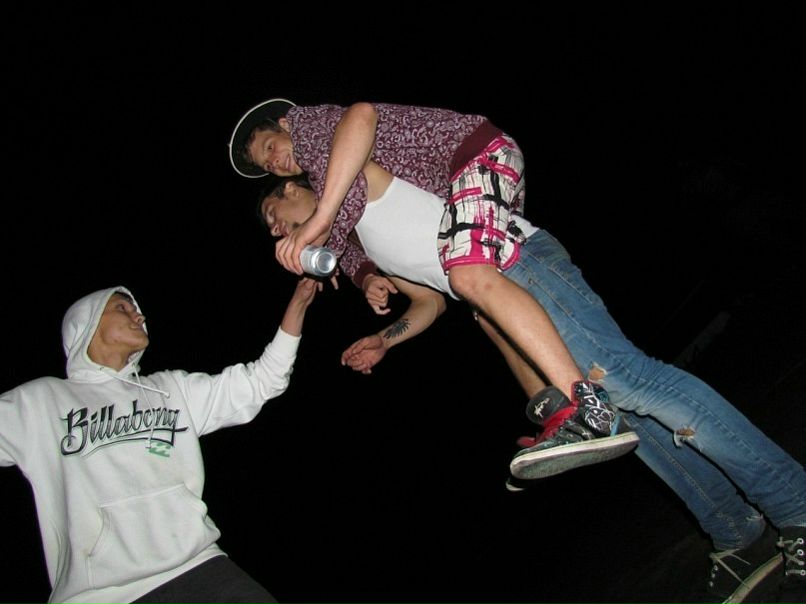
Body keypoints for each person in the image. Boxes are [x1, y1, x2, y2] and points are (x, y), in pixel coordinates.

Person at [255, 165, 806, 604]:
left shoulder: (353, 175)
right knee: (622, 412)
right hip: (503, 301)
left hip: (517, 263)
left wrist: (312, 203)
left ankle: (796, 507)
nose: (276, 230)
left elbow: (358, 123)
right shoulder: (365, 239)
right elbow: (429, 302)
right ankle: (734, 529)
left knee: (631, 382)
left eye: (273, 214)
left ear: (294, 187)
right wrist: (385, 339)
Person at [230, 98, 641, 482]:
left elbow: (361, 114)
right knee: (490, 319)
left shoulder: (313, 134)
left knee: (469, 277)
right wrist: (384, 337)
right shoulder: (348, 230)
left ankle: (586, 407)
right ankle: (561, 419)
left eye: (269, 149)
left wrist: (320, 223)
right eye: (266, 166)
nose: (273, 164)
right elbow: (429, 302)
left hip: (478, 162)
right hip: (485, 241)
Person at [0, 280, 319, 604]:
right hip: (102, 595)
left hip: (200, 568)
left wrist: (298, 305)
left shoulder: (169, 389)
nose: (138, 316)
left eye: (136, 310)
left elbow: (261, 381)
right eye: (122, 308)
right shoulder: (40, 402)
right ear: (87, 323)